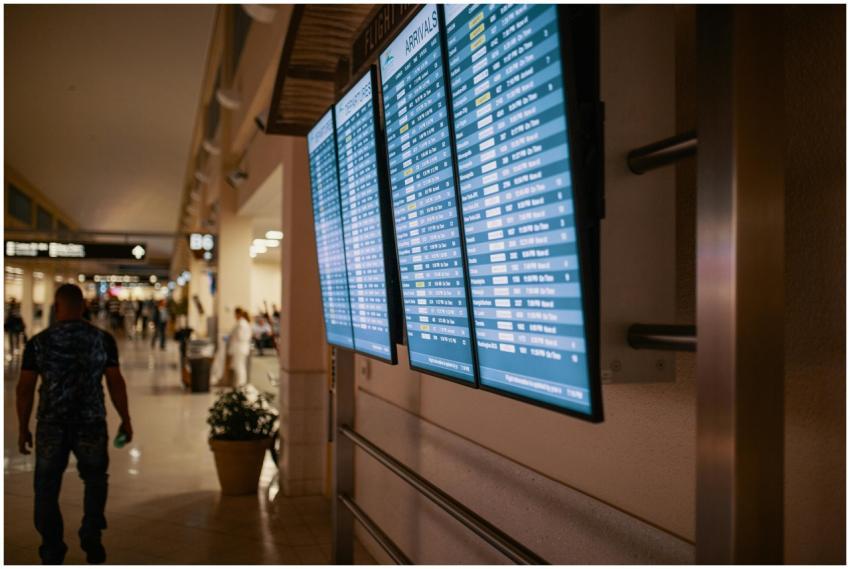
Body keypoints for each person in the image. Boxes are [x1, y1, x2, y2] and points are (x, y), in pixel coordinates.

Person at [16, 284, 133, 565]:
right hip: (91, 424)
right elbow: (115, 382)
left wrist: (22, 428)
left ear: (56, 308)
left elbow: (25, 388)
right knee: (95, 480)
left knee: (46, 487)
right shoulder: (102, 339)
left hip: (51, 426)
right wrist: (126, 419)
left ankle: (52, 548)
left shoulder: (38, 342)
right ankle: (91, 531)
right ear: (83, 307)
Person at [227, 308, 252, 386]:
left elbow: (240, 336)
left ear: (238, 314)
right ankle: (240, 383)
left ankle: (240, 384)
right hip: (242, 347)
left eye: (235, 314)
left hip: (239, 348)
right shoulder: (244, 323)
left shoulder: (241, 323)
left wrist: (231, 337)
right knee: (240, 365)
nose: (234, 316)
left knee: (239, 366)